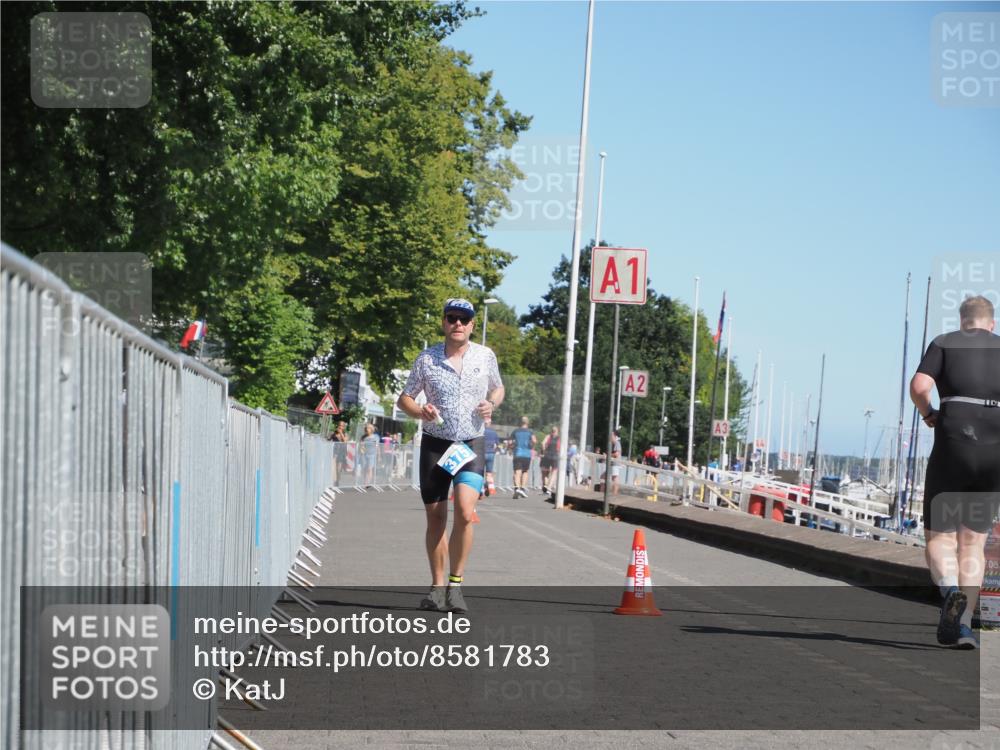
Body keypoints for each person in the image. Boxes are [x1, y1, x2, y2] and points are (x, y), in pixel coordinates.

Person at [397, 298, 504, 614]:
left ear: (472, 325)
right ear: (443, 322)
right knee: (436, 518)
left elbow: (498, 388)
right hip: (436, 445)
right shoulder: (427, 359)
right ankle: (437, 587)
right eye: (452, 318)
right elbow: (405, 399)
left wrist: (491, 404)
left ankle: (456, 586)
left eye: (464, 319)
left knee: (467, 513)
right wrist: (421, 411)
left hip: (470, 444)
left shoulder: (485, 356)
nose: (458, 323)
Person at [910, 295, 1000, 650]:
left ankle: (950, 592)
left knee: (940, 536)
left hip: (954, 442)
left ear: (963, 321)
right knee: (974, 542)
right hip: (994, 450)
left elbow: (919, 386)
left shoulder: (945, 342)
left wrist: (928, 412)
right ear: (991, 323)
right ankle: (963, 628)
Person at [509, 416, 536, 498]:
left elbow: (510, 442)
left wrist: (511, 447)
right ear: (527, 423)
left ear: (520, 422)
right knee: (525, 471)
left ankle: (517, 488)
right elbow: (534, 441)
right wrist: (531, 446)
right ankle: (522, 488)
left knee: (517, 471)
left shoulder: (515, 431)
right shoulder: (530, 432)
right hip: (527, 454)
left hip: (518, 453)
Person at [540, 426, 560, 496]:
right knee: (554, 472)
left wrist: (544, 451)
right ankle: (549, 488)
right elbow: (560, 448)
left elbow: (542, 443)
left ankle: (545, 484)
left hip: (547, 455)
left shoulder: (548, 436)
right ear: (558, 431)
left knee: (545, 472)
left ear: (551, 431)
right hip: (555, 456)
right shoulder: (559, 438)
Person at [360, 422, 379, 487]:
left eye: (367, 428)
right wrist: (362, 450)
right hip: (364, 455)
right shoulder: (363, 437)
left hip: (372, 455)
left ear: (371, 429)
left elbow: (377, 446)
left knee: (369, 468)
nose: (366, 429)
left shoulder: (375, 437)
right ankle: (365, 482)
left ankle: (368, 483)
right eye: (365, 428)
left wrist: (379, 456)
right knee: (364, 468)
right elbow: (362, 446)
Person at [483, 424, 499, 497]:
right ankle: (487, 484)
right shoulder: (494, 432)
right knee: (489, 473)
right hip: (491, 453)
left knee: (479, 472)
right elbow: (497, 444)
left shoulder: (481, 431)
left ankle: (480, 489)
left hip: (481, 453)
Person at [610, 429, 622, 495]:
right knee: (603, 477)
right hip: (613, 464)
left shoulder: (617, 443)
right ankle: (613, 494)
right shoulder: (615, 444)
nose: (610, 436)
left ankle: (614, 494)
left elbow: (617, 454)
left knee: (615, 478)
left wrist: (608, 455)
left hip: (616, 464)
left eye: (611, 435)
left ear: (614, 435)